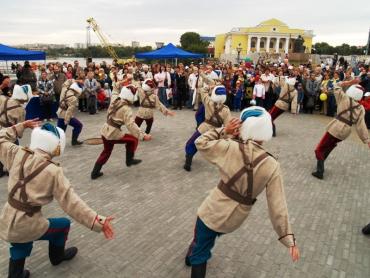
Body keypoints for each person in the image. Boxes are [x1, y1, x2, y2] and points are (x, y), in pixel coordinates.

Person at [185, 108, 299, 278]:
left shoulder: (230, 147)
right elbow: (278, 206)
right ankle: (196, 250)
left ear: (245, 128)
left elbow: (200, 142)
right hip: (236, 218)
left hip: (213, 210)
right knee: (210, 237)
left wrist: (225, 130)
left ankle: (195, 255)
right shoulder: (272, 164)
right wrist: (288, 239)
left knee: (201, 249)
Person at [0, 119, 114, 278]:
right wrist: (97, 221)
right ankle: (57, 257)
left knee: (20, 240)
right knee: (63, 225)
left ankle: (16, 275)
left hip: (7, 218)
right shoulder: (53, 171)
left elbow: (1, 138)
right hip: (27, 223)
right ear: (56, 145)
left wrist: (22, 126)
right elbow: (72, 202)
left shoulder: (17, 152)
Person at [90, 85, 152, 179]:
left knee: (106, 151)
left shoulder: (115, 99)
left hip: (105, 129)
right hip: (113, 132)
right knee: (134, 139)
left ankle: (95, 172)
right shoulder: (126, 109)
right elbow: (131, 125)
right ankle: (129, 160)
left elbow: (115, 90)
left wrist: (122, 83)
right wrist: (143, 136)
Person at [312, 84, 370, 179]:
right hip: (346, 131)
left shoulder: (344, 97)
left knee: (319, 149)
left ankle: (320, 171)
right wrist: (367, 140)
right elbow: (361, 125)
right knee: (329, 146)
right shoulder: (361, 108)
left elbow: (337, 86)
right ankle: (320, 163)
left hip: (336, 127)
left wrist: (348, 82)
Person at [184, 73, 231, 172]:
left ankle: (188, 159)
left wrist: (210, 87)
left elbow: (202, 90)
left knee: (191, 143)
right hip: (216, 131)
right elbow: (228, 126)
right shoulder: (226, 110)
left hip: (204, 127)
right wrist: (226, 137)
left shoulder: (208, 102)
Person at [0, 84, 32, 177]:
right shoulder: (21, 110)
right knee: (14, 151)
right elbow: (20, 127)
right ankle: (13, 170)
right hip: (11, 131)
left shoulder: (5, 99)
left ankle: (0, 171)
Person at [56, 74, 85, 146]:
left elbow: (66, 83)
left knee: (60, 131)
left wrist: (75, 80)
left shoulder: (65, 89)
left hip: (60, 112)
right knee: (79, 125)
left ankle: (56, 143)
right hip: (66, 115)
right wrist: (67, 120)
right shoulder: (73, 98)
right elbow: (69, 110)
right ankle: (74, 141)